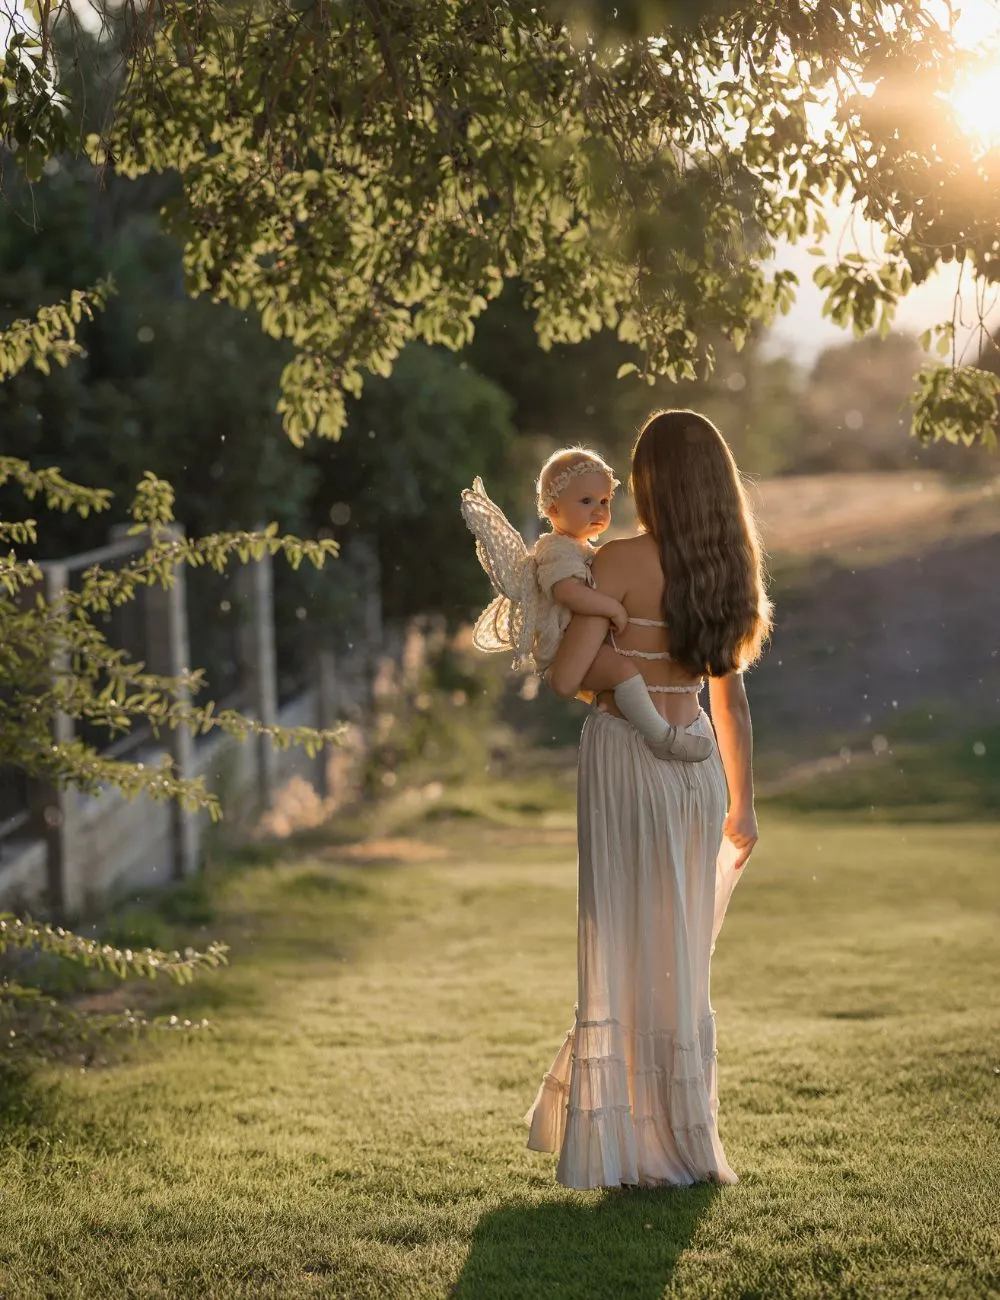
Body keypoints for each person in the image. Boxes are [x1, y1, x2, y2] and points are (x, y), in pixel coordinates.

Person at [524, 409, 772, 1190]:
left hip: (626, 762)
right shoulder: (730, 569)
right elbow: (729, 705)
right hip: (699, 770)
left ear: (645, 480)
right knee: (679, 957)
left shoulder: (617, 562)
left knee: (623, 943)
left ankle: (628, 1148)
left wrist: (589, 641)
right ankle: (686, 1140)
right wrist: (745, 805)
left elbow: (569, 677)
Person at [461, 447, 711, 761]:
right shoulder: (556, 550)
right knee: (623, 671)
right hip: (564, 641)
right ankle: (661, 736)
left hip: (578, 638)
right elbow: (568, 592)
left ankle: (653, 729)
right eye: (586, 501)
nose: (599, 511)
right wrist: (613, 608)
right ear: (553, 510)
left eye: (604, 501)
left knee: (622, 674)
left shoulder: (580, 548)